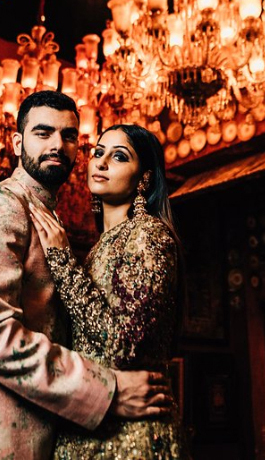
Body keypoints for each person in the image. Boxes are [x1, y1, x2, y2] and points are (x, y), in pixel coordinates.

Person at [0, 92, 170, 460]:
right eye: (43, 132)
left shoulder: (54, 222)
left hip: (43, 440)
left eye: (69, 135)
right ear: (17, 142)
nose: (58, 144)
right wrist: (109, 391)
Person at [28, 123, 186, 459]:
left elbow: (121, 344)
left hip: (129, 436)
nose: (99, 162)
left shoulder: (149, 236)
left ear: (143, 178)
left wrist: (61, 259)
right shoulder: (102, 246)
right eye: (98, 152)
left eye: (118, 156)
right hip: (89, 423)